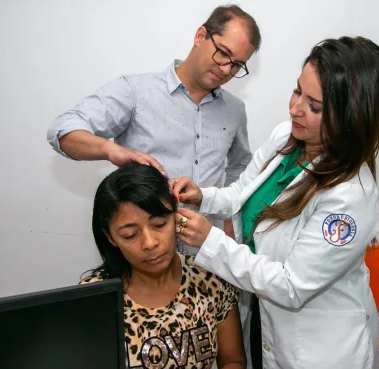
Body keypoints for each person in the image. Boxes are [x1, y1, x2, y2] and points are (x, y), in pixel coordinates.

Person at [170, 36, 379, 369]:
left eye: (314, 106)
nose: (295, 108)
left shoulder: (350, 196)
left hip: (320, 350)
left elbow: (292, 285)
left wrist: (210, 241)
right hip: (268, 319)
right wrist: (203, 196)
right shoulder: (286, 137)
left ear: (351, 118)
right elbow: (242, 193)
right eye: (297, 91)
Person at [47, 5, 262, 253]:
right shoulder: (136, 91)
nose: (226, 69)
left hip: (204, 257)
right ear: (201, 36)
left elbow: (240, 168)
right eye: (223, 53)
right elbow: (62, 130)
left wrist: (228, 224)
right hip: (143, 256)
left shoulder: (235, 110)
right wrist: (110, 150)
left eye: (237, 65)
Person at [80, 163, 246, 369]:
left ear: (177, 217)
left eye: (159, 224)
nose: (149, 243)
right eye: (130, 235)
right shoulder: (95, 297)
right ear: (110, 237)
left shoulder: (209, 279)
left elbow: (232, 360)